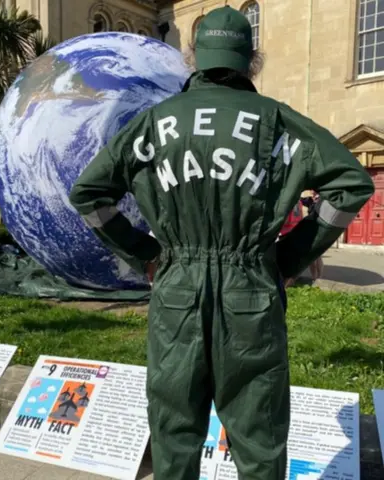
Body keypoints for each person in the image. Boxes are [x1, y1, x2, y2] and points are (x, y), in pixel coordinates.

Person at [69, 6, 375, 480]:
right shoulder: (276, 120)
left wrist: (146, 254)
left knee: (174, 434)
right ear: (251, 59)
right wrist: (291, 256)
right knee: (258, 439)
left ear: (194, 56)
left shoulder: (155, 122)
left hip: (176, 292)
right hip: (250, 289)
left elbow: (89, 194)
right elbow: (351, 185)